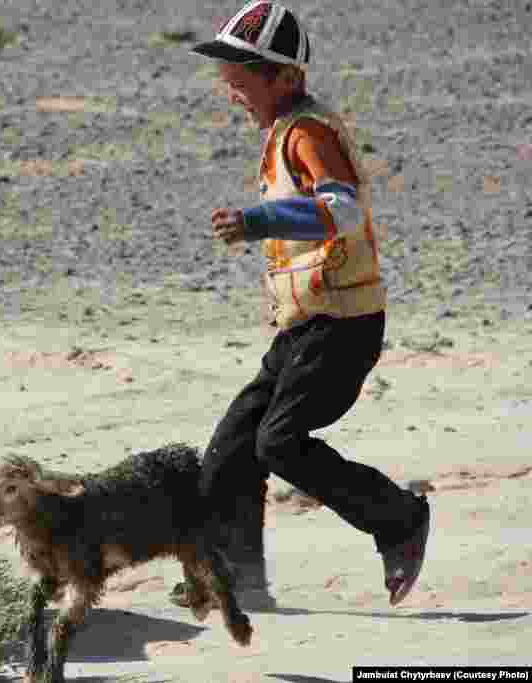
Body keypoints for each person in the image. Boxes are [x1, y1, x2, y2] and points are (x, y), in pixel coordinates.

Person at [171, 0, 430, 610]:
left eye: (243, 76)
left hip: (343, 325)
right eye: (227, 76)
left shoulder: (308, 131)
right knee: (234, 445)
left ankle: (398, 520)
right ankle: (235, 579)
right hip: (305, 328)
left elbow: (341, 211)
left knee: (278, 442)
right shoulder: (283, 133)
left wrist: (259, 221)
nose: (230, 88)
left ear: (286, 77)